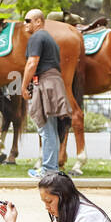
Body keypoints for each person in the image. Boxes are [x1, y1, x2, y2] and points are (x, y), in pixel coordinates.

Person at [21, 9, 71, 178]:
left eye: (28, 20)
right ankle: (52, 168)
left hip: (46, 83)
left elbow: (32, 63)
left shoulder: (37, 37)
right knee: (50, 128)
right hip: (53, 83)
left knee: (46, 128)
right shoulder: (48, 38)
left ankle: (49, 169)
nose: (25, 24)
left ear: (38, 22)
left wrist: (23, 85)